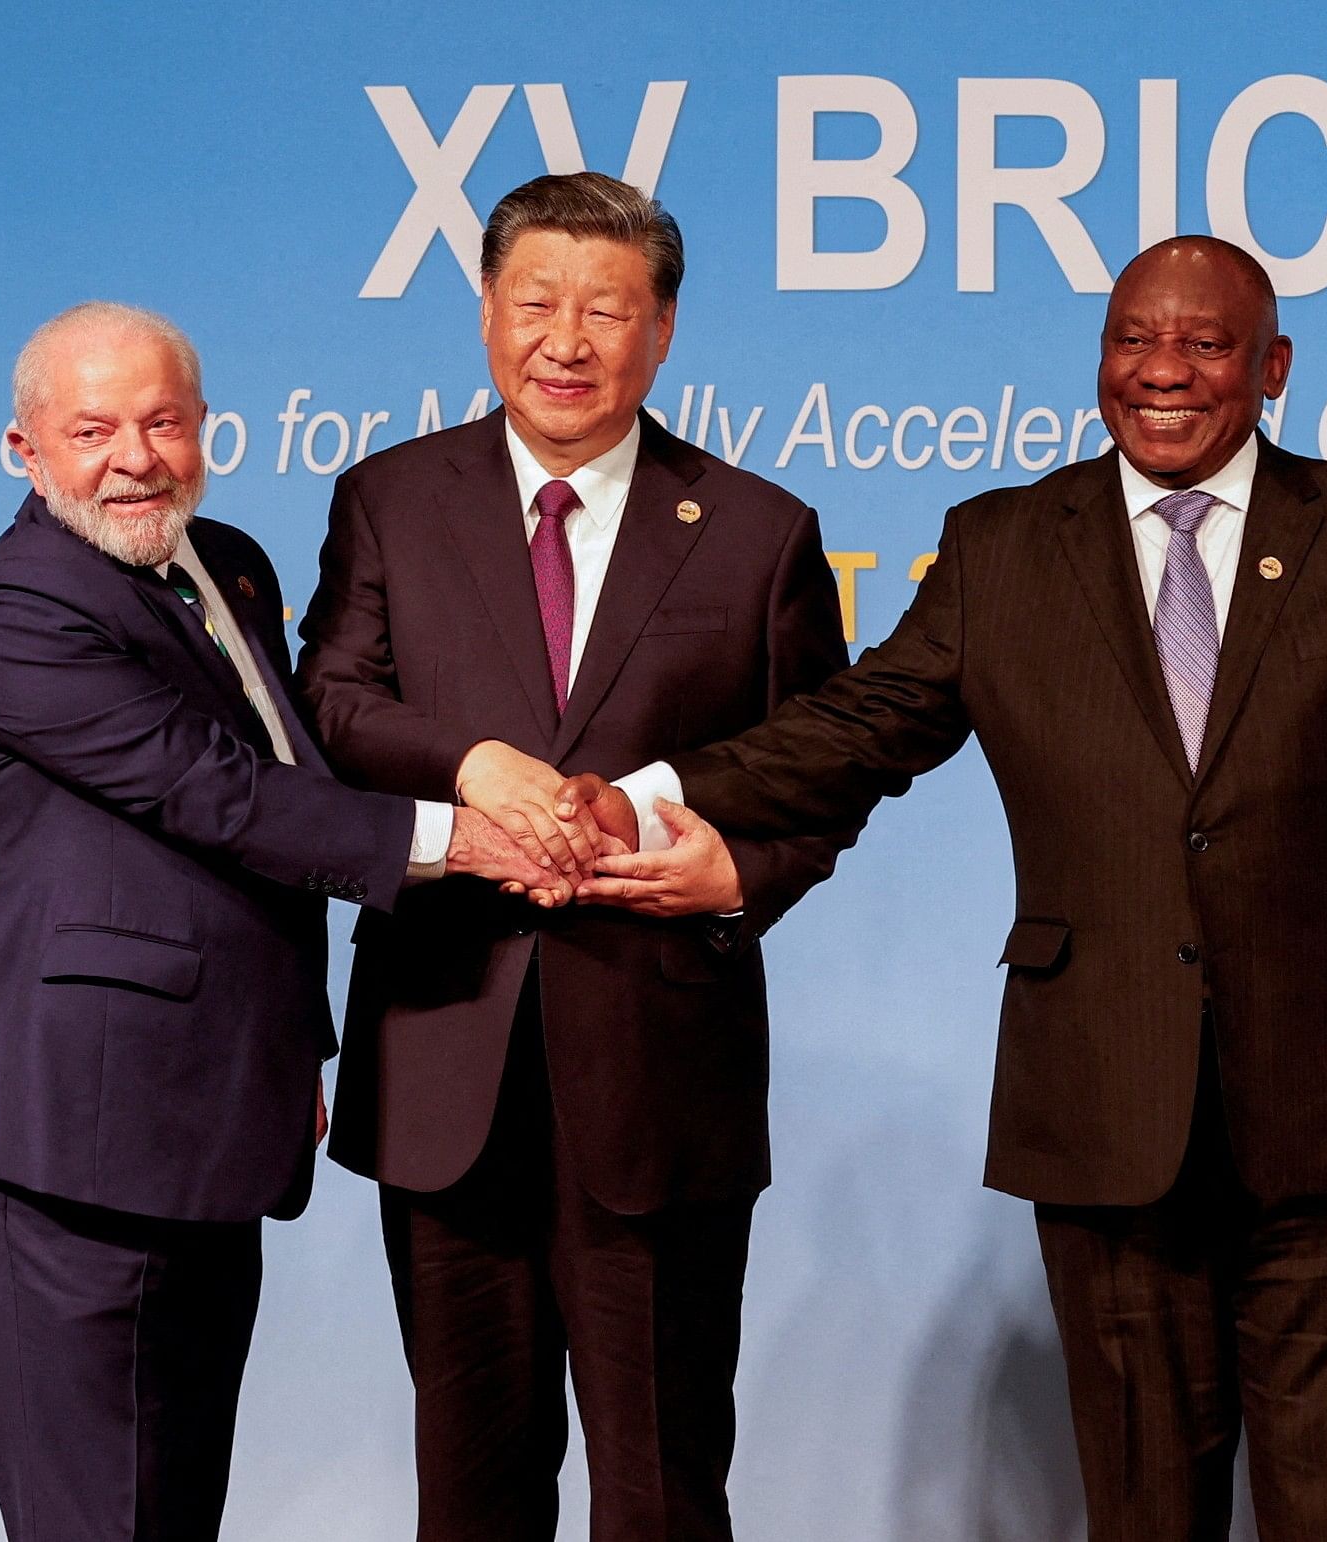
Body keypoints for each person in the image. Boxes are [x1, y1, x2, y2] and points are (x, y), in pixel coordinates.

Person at [564, 234, 1327, 1540]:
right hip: (1102, 1100)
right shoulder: (999, 546)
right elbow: (856, 726)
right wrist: (658, 794)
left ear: (1271, 367)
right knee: (1139, 1507)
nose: (1160, 371)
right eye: (1130, 340)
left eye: (1203, 344)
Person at [0, 302, 554, 1542]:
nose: (134, 456)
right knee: (97, 1520)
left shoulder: (233, 563)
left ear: (206, 428)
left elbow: (292, 769)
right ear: (23, 449)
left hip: (214, 1118)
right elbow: (211, 792)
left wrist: (287, 1045)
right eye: (93, 428)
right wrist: (461, 836)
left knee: (173, 1510)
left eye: (162, 421)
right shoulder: (16, 610)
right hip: (68, 1140)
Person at [292, 172, 849, 1541]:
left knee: (660, 1490)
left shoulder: (755, 529)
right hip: (444, 1056)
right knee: (471, 1490)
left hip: (657, 1074)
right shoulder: (388, 497)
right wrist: (470, 764)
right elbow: (332, 702)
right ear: (485, 312)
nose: (568, 339)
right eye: (536, 302)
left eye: (607, 309)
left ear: (662, 331)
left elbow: (818, 766)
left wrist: (743, 879)